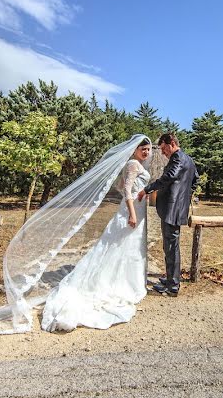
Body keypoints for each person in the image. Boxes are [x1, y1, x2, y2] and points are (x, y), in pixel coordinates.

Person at [41, 137, 152, 332]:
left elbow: (122, 186)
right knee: (119, 246)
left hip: (139, 208)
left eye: (149, 149)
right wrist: (132, 212)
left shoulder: (137, 164)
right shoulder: (133, 164)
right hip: (132, 210)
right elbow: (125, 190)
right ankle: (117, 284)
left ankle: (127, 280)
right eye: (143, 148)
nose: (146, 152)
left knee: (130, 248)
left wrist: (143, 194)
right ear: (134, 150)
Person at [137, 132, 199, 297]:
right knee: (170, 246)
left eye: (164, 149)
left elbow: (169, 176)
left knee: (171, 247)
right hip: (176, 209)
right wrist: (184, 198)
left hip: (172, 210)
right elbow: (195, 180)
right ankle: (171, 278)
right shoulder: (189, 160)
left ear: (171, 143)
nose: (163, 153)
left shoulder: (178, 158)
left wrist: (147, 189)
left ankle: (172, 286)